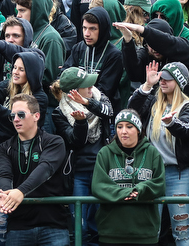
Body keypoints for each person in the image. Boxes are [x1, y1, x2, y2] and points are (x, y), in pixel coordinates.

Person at [129, 61, 189, 246]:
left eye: (168, 79)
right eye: (162, 78)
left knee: (182, 232)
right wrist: (147, 85)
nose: (163, 82)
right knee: (150, 232)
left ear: (179, 82)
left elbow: (186, 129)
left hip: (178, 174)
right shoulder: (153, 101)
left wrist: (171, 123)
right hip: (150, 173)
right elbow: (132, 111)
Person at [0, 93, 69, 244]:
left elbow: (46, 168)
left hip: (53, 224)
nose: (15, 119)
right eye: (12, 115)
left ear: (36, 116)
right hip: (19, 226)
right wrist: (7, 195)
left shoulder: (54, 141)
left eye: (21, 114)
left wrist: (20, 191)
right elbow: (3, 175)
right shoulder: (3, 148)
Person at [51, 67, 113, 245]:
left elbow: (108, 111)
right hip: (78, 173)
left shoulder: (99, 97)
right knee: (82, 226)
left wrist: (87, 103)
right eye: (86, 85)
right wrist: (80, 122)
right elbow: (76, 141)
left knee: (98, 225)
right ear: (74, 91)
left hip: (102, 170)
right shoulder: (59, 112)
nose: (91, 87)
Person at [92, 108, 165, 245]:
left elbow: (159, 183)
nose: (123, 131)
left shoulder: (152, 153)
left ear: (138, 129)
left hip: (145, 234)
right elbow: (98, 185)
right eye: (119, 127)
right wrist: (128, 192)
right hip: (111, 233)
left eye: (129, 126)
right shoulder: (105, 153)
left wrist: (140, 189)